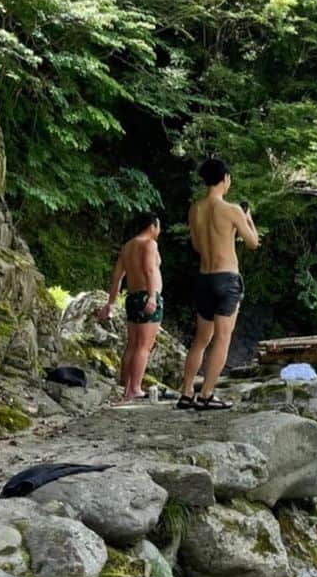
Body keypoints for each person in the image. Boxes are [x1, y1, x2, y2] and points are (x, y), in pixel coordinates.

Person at [178, 158, 260, 410]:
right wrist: (248, 219)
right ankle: (207, 394)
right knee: (222, 338)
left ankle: (186, 392)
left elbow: (196, 245)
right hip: (227, 279)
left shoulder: (195, 209)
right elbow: (253, 242)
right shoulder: (232, 209)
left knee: (201, 339)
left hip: (204, 278)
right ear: (225, 179)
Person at [97, 212, 164, 401]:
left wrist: (111, 303)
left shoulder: (127, 247)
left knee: (132, 344)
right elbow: (150, 270)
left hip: (133, 297)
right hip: (146, 296)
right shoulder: (149, 244)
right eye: (158, 227)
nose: (159, 231)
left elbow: (117, 277)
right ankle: (135, 388)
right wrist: (152, 297)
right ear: (152, 226)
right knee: (144, 346)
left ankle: (125, 387)